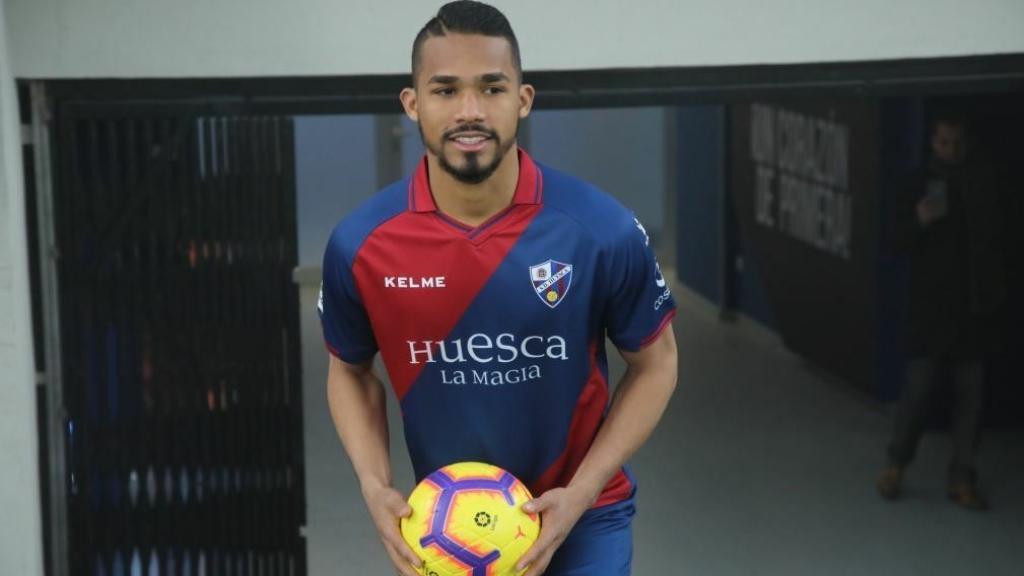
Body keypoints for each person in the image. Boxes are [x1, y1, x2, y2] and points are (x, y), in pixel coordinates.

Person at [317, 2, 678, 574]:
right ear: (412, 105)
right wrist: (373, 484)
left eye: (491, 88)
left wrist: (583, 491)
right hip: (447, 531)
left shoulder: (599, 230)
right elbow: (349, 369)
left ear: (523, 99)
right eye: (445, 90)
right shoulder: (361, 244)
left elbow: (656, 363)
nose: (469, 111)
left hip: (584, 517)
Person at [877, 111, 1006, 511]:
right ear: (933, 141)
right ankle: (896, 464)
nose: (950, 150)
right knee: (918, 392)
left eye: (957, 142)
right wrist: (919, 220)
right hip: (931, 311)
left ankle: (962, 477)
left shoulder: (982, 183)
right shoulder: (917, 185)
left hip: (972, 308)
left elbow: (998, 238)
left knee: (971, 399)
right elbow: (895, 241)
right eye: (944, 142)